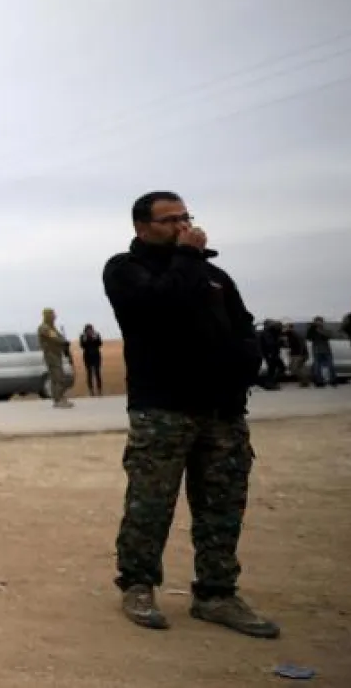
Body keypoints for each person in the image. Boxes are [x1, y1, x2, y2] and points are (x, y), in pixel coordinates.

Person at [101, 190, 279, 638]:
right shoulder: (126, 270)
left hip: (222, 411)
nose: (182, 225)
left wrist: (244, 363)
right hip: (163, 409)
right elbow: (160, 306)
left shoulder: (214, 276)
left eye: (185, 217)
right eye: (170, 220)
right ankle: (138, 586)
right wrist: (186, 256)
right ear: (142, 228)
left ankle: (217, 594)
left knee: (222, 506)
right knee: (150, 503)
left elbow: (243, 325)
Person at [37, 308, 75, 407]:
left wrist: (64, 342)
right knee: (57, 377)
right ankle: (58, 400)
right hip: (51, 355)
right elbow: (54, 337)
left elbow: (59, 336)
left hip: (57, 355)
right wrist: (63, 342)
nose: (55, 316)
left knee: (60, 377)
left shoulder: (52, 327)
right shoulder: (44, 327)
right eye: (53, 314)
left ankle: (60, 398)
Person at [305, 316, 336, 387]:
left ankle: (333, 380)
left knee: (330, 366)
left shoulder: (325, 330)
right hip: (317, 350)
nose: (318, 323)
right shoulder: (312, 330)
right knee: (317, 367)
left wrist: (319, 330)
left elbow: (329, 335)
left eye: (320, 321)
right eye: (317, 321)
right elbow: (308, 337)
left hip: (326, 350)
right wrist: (311, 328)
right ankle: (319, 381)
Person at [80, 324, 104, 396]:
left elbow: (100, 344)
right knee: (89, 373)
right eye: (88, 330)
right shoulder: (83, 336)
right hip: (87, 357)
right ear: (85, 330)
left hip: (96, 356)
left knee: (97, 373)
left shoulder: (96, 334)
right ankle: (91, 391)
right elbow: (82, 346)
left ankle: (99, 390)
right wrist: (84, 340)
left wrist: (95, 338)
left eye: (90, 329)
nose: (89, 331)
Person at [283, 321, 309, 388]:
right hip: (295, 354)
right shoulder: (289, 335)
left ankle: (305, 381)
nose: (285, 329)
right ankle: (304, 381)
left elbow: (301, 345)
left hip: (298, 354)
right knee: (297, 368)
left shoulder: (295, 335)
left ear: (291, 328)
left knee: (295, 368)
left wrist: (301, 355)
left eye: (286, 327)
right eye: (285, 327)